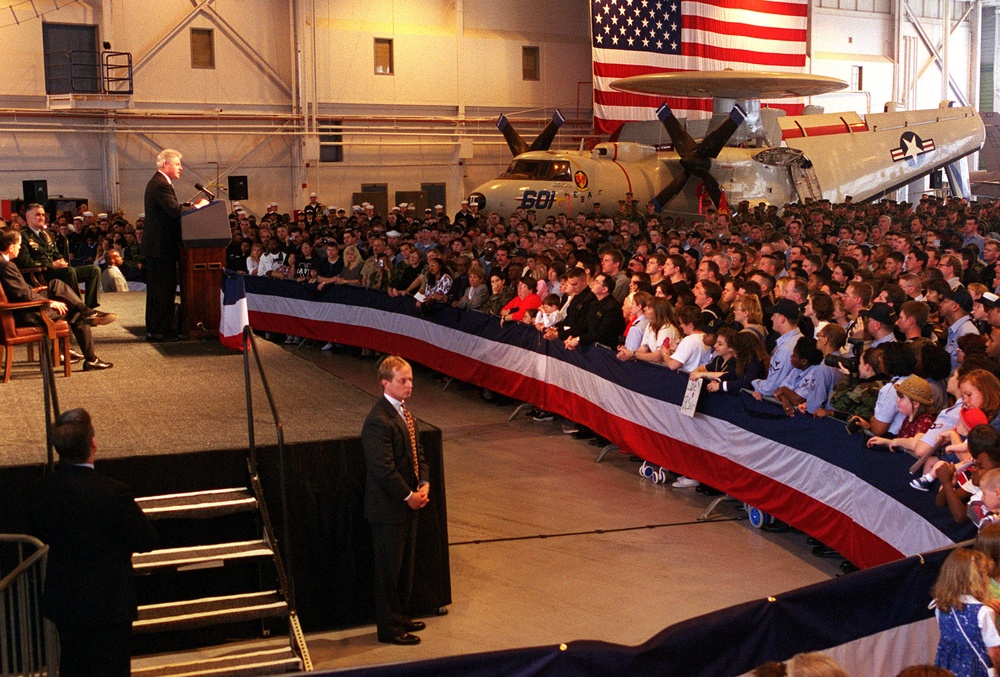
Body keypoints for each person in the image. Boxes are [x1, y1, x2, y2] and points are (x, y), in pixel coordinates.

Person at [29, 408, 157, 676]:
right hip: (109, 602)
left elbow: (38, 530)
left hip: (66, 598)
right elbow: (145, 540)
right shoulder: (113, 491)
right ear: (93, 444)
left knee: (73, 664)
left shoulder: (42, 490)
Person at [362, 356, 432, 646]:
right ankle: (390, 628)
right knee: (389, 571)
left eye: (411, 380)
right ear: (385, 383)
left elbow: (419, 454)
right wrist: (409, 496)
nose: (409, 385)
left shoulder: (406, 413)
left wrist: (424, 483)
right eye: (402, 380)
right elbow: (383, 469)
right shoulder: (378, 421)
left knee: (405, 567)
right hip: (389, 509)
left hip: (408, 505)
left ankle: (400, 614)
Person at [0, 228, 114, 371]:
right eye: (18, 245)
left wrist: (36, 290)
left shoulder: (3, 263)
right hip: (27, 313)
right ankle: (91, 358)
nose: (20, 247)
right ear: (10, 248)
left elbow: (19, 291)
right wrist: (49, 302)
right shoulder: (6, 266)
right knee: (75, 313)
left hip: (22, 306)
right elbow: (22, 295)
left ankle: (85, 310)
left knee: (55, 284)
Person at [141, 149, 208, 342]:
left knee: (162, 290)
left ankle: (160, 329)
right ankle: (159, 331)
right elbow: (174, 210)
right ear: (166, 165)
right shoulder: (160, 184)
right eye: (178, 164)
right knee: (161, 291)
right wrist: (197, 207)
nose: (180, 168)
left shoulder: (159, 182)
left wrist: (190, 206)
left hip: (160, 247)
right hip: (160, 247)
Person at [15, 203, 102, 310]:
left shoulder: (44, 234)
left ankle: (90, 307)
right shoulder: (22, 235)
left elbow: (56, 253)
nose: (42, 217)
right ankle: (79, 309)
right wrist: (51, 265)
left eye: (43, 215)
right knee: (69, 271)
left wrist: (62, 261)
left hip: (56, 270)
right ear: (28, 216)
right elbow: (24, 262)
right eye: (38, 215)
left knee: (94, 269)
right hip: (40, 273)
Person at [930, 548, 1000, 677]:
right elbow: (994, 652)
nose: (987, 578)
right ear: (976, 580)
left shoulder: (939, 607)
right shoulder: (983, 612)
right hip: (977, 669)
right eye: (985, 575)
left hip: (948, 668)